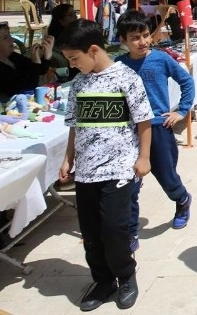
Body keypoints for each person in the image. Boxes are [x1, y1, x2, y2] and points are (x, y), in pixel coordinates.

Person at [57, 19, 153, 311]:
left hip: (119, 169)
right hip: (86, 172)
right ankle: (102, 280)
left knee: (114, 228)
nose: (73, 65)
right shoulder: (78, 83)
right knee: (91, 232)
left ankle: (125, 275)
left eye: (75, 58)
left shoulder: (126, 78)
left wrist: (144, 157)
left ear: (94, 50)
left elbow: (144, 120)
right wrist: (68, 157)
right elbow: (74, 124)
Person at [113, 11, 194, 253]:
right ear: (123, 40)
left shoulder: (161, 59)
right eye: (135, 37)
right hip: (130, 133)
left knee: (167, 177)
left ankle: (181, 199)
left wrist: (181, 110)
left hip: (159, 129)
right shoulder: (118, 65)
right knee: (130, 186)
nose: (143, 42)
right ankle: (130, 230)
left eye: (146, 35)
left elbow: (186, 81)